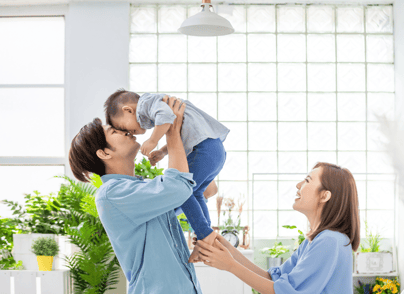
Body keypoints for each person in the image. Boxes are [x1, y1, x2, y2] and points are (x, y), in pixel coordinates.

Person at [68, 97, 203, 294]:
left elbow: (186, 194)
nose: (124, 131)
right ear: (104, 154)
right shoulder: (111, 195)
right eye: (114, 132)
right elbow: (179, 188)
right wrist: (171, 129)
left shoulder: (140, 188)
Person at [195, 162, 360, 294]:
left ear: (325, 196)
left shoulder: (329, 241)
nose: (298, 185)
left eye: (307, 180)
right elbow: (273, 279)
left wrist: (230, 265)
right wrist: (228, 248)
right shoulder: (316, 240)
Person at [103, 90, 230, 262]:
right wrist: (163, 152)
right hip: (213, 149)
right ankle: (205, 240)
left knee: (184, 192)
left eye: (127, 129)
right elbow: (177, 128)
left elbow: (167, 116)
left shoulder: (146, 102)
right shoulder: (154, 106)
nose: (133, 133)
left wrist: (153, 140)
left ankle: (205, 236)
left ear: (128, 110)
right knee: (194, 193)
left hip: (204, 149)